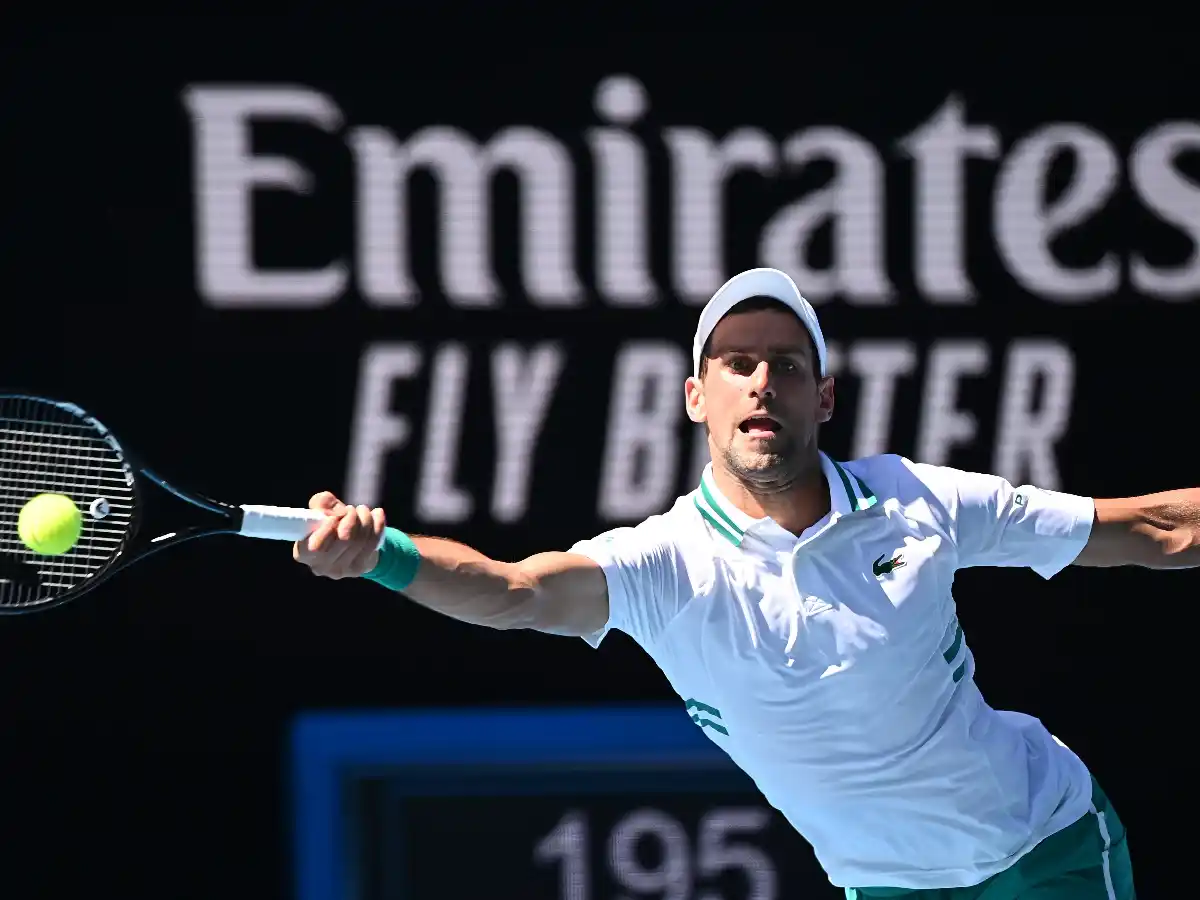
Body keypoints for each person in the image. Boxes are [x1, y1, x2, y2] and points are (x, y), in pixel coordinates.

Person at [292, 267, 1174, 899]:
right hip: (882, 887)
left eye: (787, 364)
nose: (762, 382)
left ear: (822, 398)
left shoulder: (919, 500)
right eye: (737, 362)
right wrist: (383, 556)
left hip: (1041, 849)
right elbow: (513, 589)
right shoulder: (665, 563)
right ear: (694, 396)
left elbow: (1151, 530)